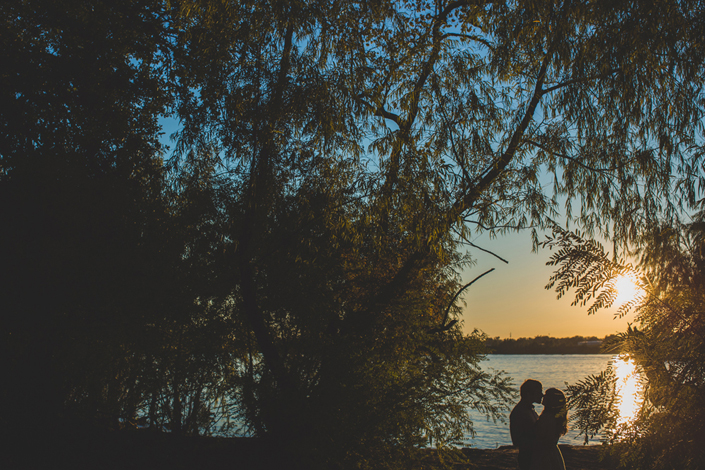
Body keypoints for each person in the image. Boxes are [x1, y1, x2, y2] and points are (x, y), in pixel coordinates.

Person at [531, 388, 568, 470]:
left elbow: (544, 438)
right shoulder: (554, 417)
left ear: (551, 400)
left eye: (546, 395)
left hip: (545, 455)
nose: (543, 396)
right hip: (552, 453)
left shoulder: (547, 417)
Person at [510, 379, 543, 470]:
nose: (542, 395)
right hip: (528, 458)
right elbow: (517, 440)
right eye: (539, 392)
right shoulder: (520, 412)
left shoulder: (529, 410)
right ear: (529, 394)